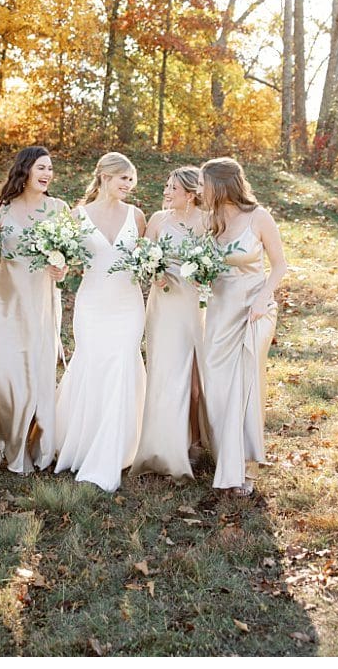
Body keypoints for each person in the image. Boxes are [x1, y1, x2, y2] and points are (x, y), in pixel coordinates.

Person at [52, 152, 149, 493]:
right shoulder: (77, 216)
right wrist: (58, 267)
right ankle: (82, 442)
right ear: (105, 177)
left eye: (131, 179)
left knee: (123, 364)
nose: (128, 184)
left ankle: (116, 451)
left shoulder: (137, 216)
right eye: (124, 178)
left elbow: (146, 259)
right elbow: (63, 259)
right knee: (92, 364)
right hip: (92, 302)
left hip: (128, 304)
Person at [0, 146, 66, 474]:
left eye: (50, 169)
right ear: (25, 170)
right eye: (41, 167)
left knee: (37, 371)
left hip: (41, 299)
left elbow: (65, 256)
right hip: (6, 298)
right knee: (4, 372)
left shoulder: (58, 209)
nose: (47, 174)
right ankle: (1, 439)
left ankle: (33, 441)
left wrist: (61, 268)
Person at [199, 157, 289, 496]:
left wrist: (263, 299)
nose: (201, 191)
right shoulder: (211, 219)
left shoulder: (259, 217)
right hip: (220, 310)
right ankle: (225, 456)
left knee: (245, 383)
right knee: (219, 384)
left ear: (222, 185)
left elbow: (279, 266)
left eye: (205, 185)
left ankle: (245, 468)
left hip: (255, 308)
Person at [135, 166, 212, 477]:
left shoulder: (208, 222)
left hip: (196, 306)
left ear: (190, 195)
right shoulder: (158, 220)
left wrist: (206, 276)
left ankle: (194, 439)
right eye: (166, 186)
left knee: (194, 382)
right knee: (164, 373)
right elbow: (141, 258)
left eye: (173, 189)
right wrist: (151, 272)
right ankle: (162, 443)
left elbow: (217, 264)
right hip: (164, 303)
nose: (166, 192)